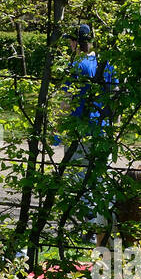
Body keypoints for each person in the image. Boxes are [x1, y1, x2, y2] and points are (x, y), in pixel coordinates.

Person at [58, 24, 119, 242]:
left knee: (80, 182)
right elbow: (115, 99)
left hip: (80, 133)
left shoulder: (76, 66)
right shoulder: (107, 65)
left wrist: (59, 130)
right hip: (103, 131)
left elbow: (66, 102)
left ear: (75, 43)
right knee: (102, 181)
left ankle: (91, 231)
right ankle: (107, 230)